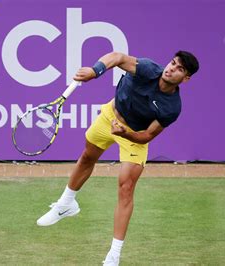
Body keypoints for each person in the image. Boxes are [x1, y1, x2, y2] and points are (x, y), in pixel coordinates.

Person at [36, 51, 199, 265]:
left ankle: (114, 255)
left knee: (126, 187)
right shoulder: (149, 69)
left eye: (179, 69)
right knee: (87, 157)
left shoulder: (172, 107)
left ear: (185, 79)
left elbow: (147, 135)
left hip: (132, 136)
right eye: (172, 63)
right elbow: (117, 58)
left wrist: (126, 133)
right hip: (110, 116)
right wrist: (95, 71)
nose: (171, 69)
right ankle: (66, 204)